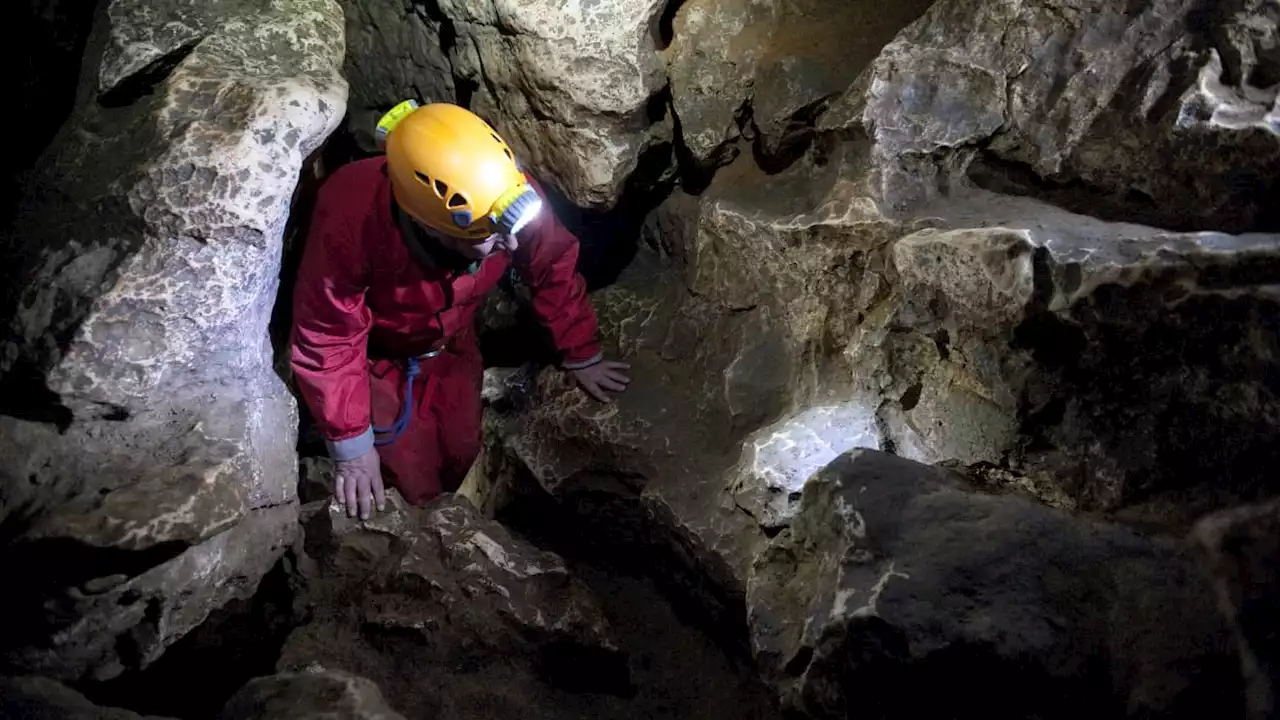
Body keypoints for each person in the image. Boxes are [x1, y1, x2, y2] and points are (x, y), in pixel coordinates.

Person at [289, 100, 631, 520]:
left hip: (453, 348)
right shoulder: (351, 215)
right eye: (491, 237)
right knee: (413, 488)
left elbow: (551, 262)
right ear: (434, 226)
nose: (514, 243)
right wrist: (351, 447)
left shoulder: (504, 195)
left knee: (462, 452)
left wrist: (581, 351)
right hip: (379, 363)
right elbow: (329, 333)